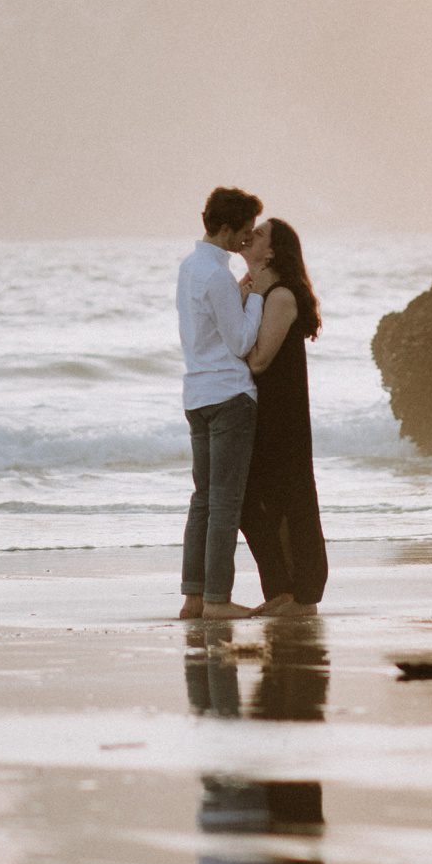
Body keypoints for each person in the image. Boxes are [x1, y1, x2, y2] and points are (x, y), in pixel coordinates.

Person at [175, 185, 264, 622]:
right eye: (245, 230)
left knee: (203, 501)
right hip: (229, 396)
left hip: (196, 394)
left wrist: (239, 296)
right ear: (226, 228)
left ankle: (194, 598)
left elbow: (209, 327)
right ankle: (216, 600)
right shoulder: (217, 276)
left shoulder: (190, 267)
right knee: (225, 504)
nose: (247, 238)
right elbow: (242, 341)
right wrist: (258, 296)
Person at [239, 216, 329, 614]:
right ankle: (283, 589)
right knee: (259, 499)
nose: (249, 236)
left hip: (281, 415)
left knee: (287, 499)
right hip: (265, 411)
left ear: (272, 251)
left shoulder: (279, 296)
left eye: (258, 234)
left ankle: (301, 593)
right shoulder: (259, 290)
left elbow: (259, 360)